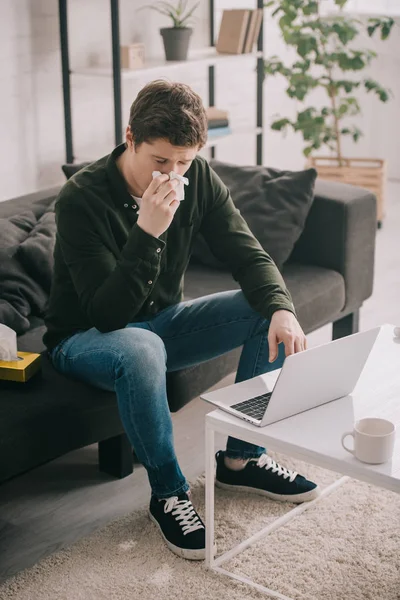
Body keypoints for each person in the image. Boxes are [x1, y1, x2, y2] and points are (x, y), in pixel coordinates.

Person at [44, 79, 319, 561]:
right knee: (141, 346)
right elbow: (109, 315)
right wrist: (147, 233)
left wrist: (282, 308)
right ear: (130, 136)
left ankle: (241, 457)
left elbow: (247, 252)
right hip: (85, 337)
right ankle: (169, 492)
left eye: (184, 163)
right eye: (160, 161)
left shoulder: (199, 178)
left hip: (163, 321)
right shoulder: (80, 199)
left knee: (262, 306)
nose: (172, 175)